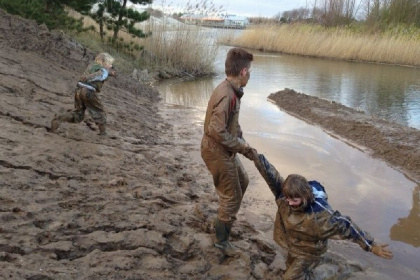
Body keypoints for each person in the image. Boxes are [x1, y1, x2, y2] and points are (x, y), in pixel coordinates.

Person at [251, 151, 393, 279]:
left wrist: (371, 245)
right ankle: (310, 269)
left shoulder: (320, 215)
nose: (289, 203)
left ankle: (334, 271)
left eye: (294, 200)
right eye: (287, 199)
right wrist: (248, 151)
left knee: (289, 278)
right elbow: (268, 171)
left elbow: (347, 225)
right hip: (292, 244)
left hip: (309, 252)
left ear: (305, 196)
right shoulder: (283, 195)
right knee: (291, 267)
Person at [201, 47, 256, 256]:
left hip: (225, 149)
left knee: (243, 181)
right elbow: (214, 130)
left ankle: (221, 222)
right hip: (216, 151)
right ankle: (221, 241)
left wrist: (242, 141)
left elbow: (231, 123)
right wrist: (241, 146)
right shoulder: (226, 93)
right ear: (243, 72)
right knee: (232, 195)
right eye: (249, 71)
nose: (250, 74)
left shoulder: (232, 90)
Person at [50, 52, 117, 135]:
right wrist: (87, 78)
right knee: (100, 112)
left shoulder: (92, 66)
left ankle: (59, 118)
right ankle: (103, 133)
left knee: (78, 114)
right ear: (103, 63)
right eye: (109, 64)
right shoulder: (103, 71)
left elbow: (99, 73)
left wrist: (110, 73)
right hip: (89, 92)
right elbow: (100, 74)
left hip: (79, 90)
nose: (110, 66)